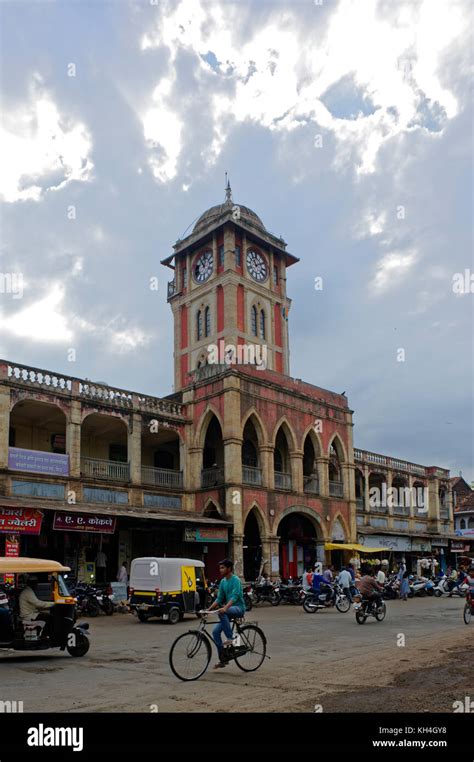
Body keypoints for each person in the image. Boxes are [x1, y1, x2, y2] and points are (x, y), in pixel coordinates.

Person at [208, 559, 246, 669]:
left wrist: (225, 608)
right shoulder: (223, 582)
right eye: (220, 568)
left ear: (229, 569)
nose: (220, 570)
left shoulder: (236, 580)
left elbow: (235, 597)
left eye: (222, 568)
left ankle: (231, 637)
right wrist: (208, 609)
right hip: (229, 609)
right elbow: (219, 598)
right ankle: (223, 659)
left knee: (222, 612)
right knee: (215, 632)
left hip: (238, 608)